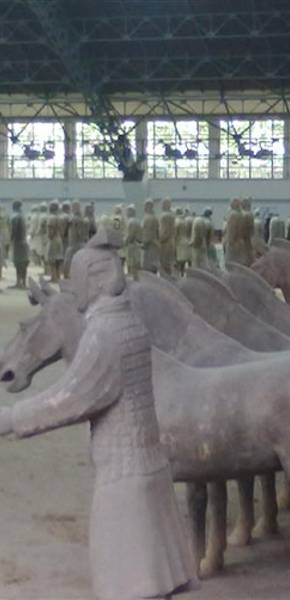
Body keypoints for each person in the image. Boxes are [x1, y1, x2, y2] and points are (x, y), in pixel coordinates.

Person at [0, 227, 195, 600]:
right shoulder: (127, 321)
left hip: (124, 479)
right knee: (150, 581)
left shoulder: (105, 333)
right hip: (145, 469)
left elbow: (71, 398)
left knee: (130, 584)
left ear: (96, 280)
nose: (74, 289)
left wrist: (10, 418)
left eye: (77, 279)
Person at [10, 200, 29, 289]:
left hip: (18, 242)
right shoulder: (22, 216)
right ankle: (23, 282)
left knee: (18, 264)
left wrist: (10, 240)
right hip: (24, 242)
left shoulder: (15, 217)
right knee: (23, 263)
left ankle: (19, 282)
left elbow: (13, 231)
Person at [141, 199, 160, 274]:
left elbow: (147, 235)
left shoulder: (148, 218)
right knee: (153, 269)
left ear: (149, 206)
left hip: (149, 247)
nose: (144, 208)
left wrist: (143, 245)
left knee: (148, 271)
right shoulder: (154, 217)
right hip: (155, 245)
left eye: (145, 206)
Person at [159, 198, 176, 274]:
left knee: (164, 264)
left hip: (165, 243)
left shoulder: (164, 216)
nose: (161, 206)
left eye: (162, 204)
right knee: (169, 264)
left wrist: (159, 241)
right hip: (171, 242)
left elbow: (164, 232)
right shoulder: (172, 215)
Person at [124, 204, 142, 279]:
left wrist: (123, 243)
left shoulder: (131, 221)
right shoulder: (137, 221)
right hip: (136, 247)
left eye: (127, 211)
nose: (126, 213)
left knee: (131, 267)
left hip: (131, 247)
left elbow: (130, 236)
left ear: (131, 212)